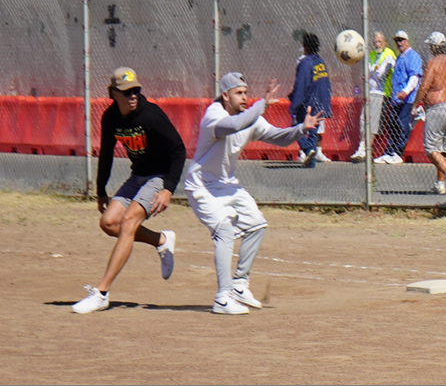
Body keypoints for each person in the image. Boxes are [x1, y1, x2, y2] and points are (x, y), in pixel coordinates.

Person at [184, 72, 322, 315]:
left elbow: (279, 138)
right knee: (225, 231)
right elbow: (234, 125)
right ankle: (222, 297)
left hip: (227, 184)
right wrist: (262, 104)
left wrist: (302, 128)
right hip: (202, 185)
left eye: (246, 92)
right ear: (225, 96)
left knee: (257, 225)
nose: (245, 97)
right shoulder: (214, 115)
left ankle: (239, 284)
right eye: (239, 93)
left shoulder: (250, 118)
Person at [72, 67, 187, 314]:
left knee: (128, 222)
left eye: (135, 90)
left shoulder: (151, 115)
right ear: (113, 93)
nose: (132, 95)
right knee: (108, 222)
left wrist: (168, 189)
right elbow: (105, 152)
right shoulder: (111, 117)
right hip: (138, 175)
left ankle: (102, 292)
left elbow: (179, 150)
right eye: (126, 92)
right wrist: (101, 189)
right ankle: (162, 240)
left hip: (159, 176)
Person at [411, 31, 446, 195]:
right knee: (444, 149)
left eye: (430, 46)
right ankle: (440, 184)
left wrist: (415, 105)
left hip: (438, 107)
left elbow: (424, 86)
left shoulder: (433, 63)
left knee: (430, 147)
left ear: (434, 47)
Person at [374, 30, 423, 165]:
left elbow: (414, 77)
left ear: (407, 41)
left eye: (401, 40)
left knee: (402, 124)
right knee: (392, 124)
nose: (399, 43)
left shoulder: (412, 56)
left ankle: (398, 152)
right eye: (397, 41)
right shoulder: (400, 57)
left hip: (407, 99)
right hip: (397, 99)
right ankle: (389, 152)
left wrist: (405, 92)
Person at [351, 31, 396, 163]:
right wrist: (372, 72)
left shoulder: (389, 55)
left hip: (381, 93)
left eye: (379, 42)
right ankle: (361, 147)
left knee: (373, 123)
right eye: (375, 42)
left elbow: (380, 75)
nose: (377, 44)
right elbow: (366, 73)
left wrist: (372, 71)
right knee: (363, 120)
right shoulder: (371, 55)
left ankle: (366, 150)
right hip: (370, 92)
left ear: (385, 42)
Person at [289, 32, 333, 167]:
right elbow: (325, 84)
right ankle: (310, 162)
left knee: (297, 126)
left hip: (307, 103)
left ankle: (307, 149)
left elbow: (301, 84)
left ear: (306, 46)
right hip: (320, 102)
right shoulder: (321, 62)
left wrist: (294, 104)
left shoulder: (306, 63)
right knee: (313, 131)